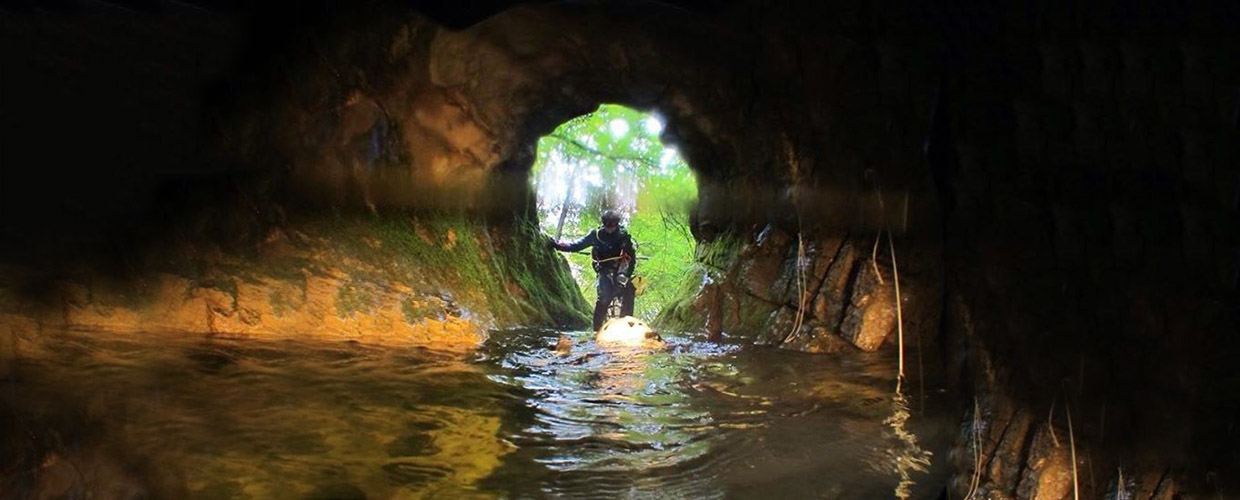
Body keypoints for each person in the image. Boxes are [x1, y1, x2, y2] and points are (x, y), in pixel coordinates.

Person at [550, 210, 637, 331]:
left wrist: (626, 275)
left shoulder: (623, 236)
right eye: (607, 225)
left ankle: (627, 325)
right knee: (604, 296)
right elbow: (577, 245)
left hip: (619, 270)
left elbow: (631, 259)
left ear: (617, 224)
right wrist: (558, 246)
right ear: (603, 223)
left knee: (628, 290)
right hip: (603, 269)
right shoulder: (595, 235)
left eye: (613, 225)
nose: (610, 228)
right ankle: (597, 330)